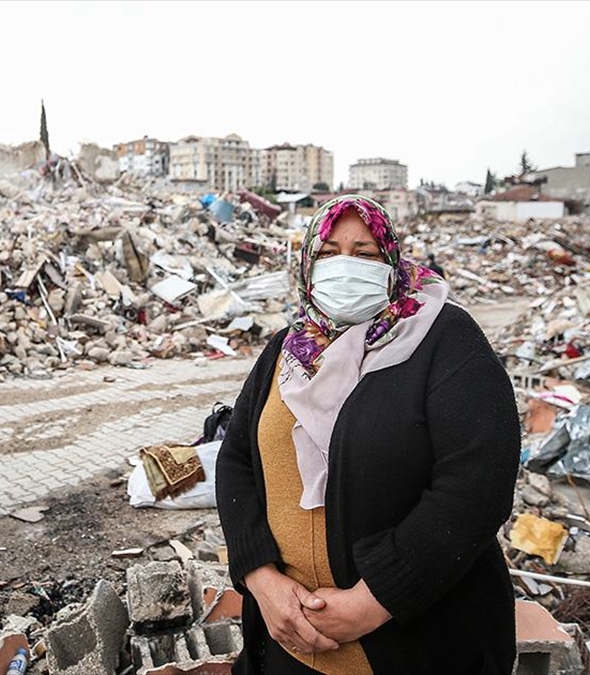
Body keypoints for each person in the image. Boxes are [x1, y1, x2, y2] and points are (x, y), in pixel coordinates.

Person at [216, 195, 520, 674]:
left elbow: (478, 482)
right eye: (329, 251)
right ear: (308, 263)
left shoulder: (444, 338)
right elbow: (236, 457)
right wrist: (260, 578)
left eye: (364, 254)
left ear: (392, 262)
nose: (345, 266)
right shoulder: (289, 348)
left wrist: (374, 599)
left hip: (416, 646)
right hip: (286, 643)